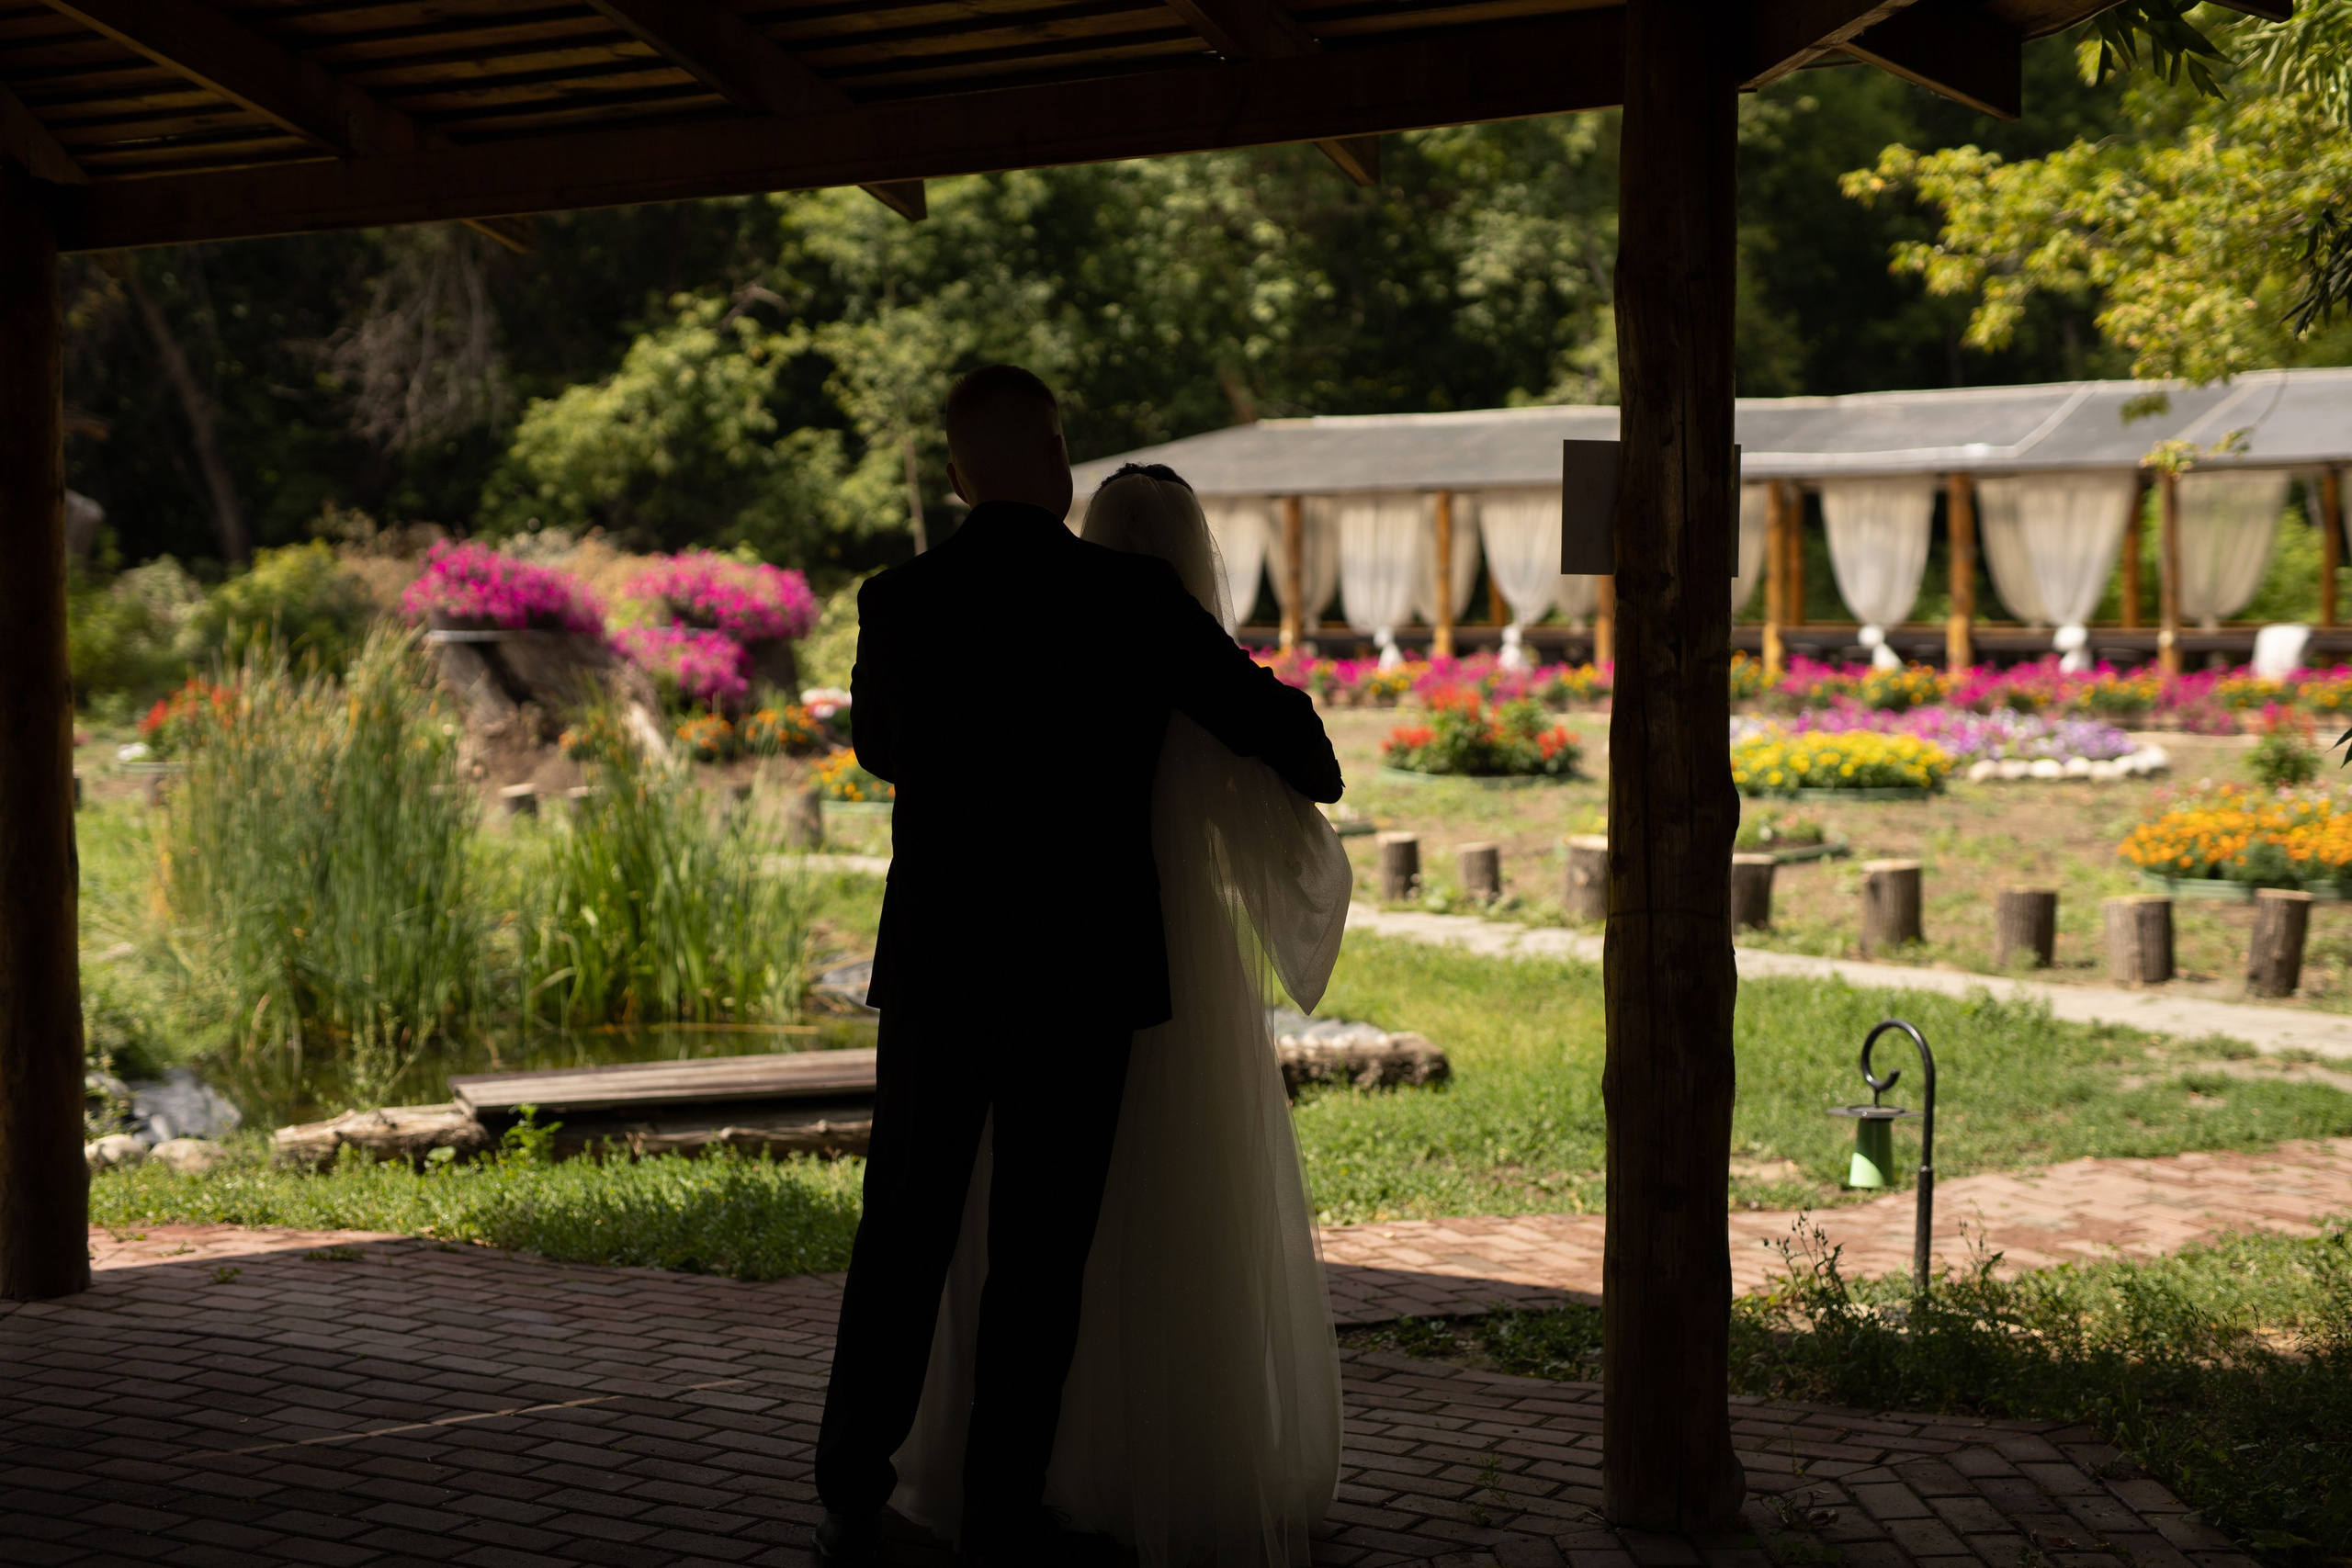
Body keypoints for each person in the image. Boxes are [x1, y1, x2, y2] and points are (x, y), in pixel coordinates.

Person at [813, 367, 1343, 1567]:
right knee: (1038, 1253)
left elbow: (883, 748)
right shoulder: (1129, 601)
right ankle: (1004, 1506)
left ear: (958, 471)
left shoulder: (899, 601)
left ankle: (852, 1476)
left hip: (945, 960)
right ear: (1055, 464)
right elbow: (1301, 751)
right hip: (1081, 971)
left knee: (905, 1224)